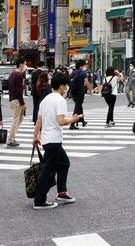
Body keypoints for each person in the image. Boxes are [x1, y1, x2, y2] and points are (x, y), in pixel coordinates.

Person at [32, 72, 79, 210]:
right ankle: (39, 200)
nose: (67, 88)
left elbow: (38, 121)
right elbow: (61, 121)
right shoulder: (60, 100)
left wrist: (35, 137)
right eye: (66, 86)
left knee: (64, 163)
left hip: (47, 139)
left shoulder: (45, 100)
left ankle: (62, 193)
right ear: (62, 86)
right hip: (54, 140)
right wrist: (73, 119)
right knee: (48, 171)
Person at [7, 58, 27, 147]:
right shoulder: (19, 75)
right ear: (20, 65)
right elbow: (19, 91)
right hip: (17, 100)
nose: (25, 66)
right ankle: (11, 139)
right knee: (16, 119)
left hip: (12, 98)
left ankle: (12, 137)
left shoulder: (12, 74)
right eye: (25, 64)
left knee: (19, 118)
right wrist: (23, 103)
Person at [69, 60, 90, 129]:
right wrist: (90, 90)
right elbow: (86, 82)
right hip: (80, 92)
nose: (85, 66)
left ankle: (82, 120)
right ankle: (72, 123)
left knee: (79, 105)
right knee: (77, 107)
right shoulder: (83, 73)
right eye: (84, 65)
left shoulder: (73, 72)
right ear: (81, 66)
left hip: (73, 92)